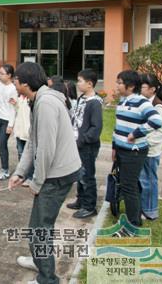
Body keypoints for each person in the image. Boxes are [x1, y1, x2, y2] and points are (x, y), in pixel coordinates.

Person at [9, 62, 81, 284]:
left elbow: (46, 149)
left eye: (15, 80)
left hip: (57, 175)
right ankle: (40, 261)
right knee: (37, 226)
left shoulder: (46, 103)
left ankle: (48, 278)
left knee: (40, 228)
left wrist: (37, 182)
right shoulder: (37, 100)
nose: (14, 83)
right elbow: (33, 141)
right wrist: (20, 172)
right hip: (54, 173)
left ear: (25, 83)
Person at [112, 70, 162, 227]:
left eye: (120, 83)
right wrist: (114, 147)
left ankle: (133, 223)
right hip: (121, 150)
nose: (117, 85)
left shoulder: (142, 102)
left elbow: (156, 121)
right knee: (129, 185)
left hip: (134, 152)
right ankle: (135, 216)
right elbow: (118, 127)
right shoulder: (122, 101)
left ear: (131, 85)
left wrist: (136, 133)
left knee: (129, 187)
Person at [66, 69, 103, 219]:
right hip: (77, 144)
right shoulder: (82, 98)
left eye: (80, 80)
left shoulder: (94, 103)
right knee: (79, 173)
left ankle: (89, 206)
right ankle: (81, 200)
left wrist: (82, 140)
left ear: (89, 84)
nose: (77, 83)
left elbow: (96, 128)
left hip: (87, 146)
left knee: (87, 176)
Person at [139, 74, 162, 220]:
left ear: (152, 89)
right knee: (143, 180)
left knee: (149, 181)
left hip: (150, 151)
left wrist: (145, 142)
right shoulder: (146, 103)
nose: (140, 89)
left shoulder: (158, 107)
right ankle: (144, 208)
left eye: (143, 87)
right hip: (143, 149)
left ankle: (150, 211)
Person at [13, 92, 33, 186]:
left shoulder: (31, 99)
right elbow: (16, 111)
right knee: (20, 152)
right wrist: (15, 104)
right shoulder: (19, 98)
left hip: (28, 131)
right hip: (19, 130)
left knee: (30, 154)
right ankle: (22, 175)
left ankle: (30, 176)